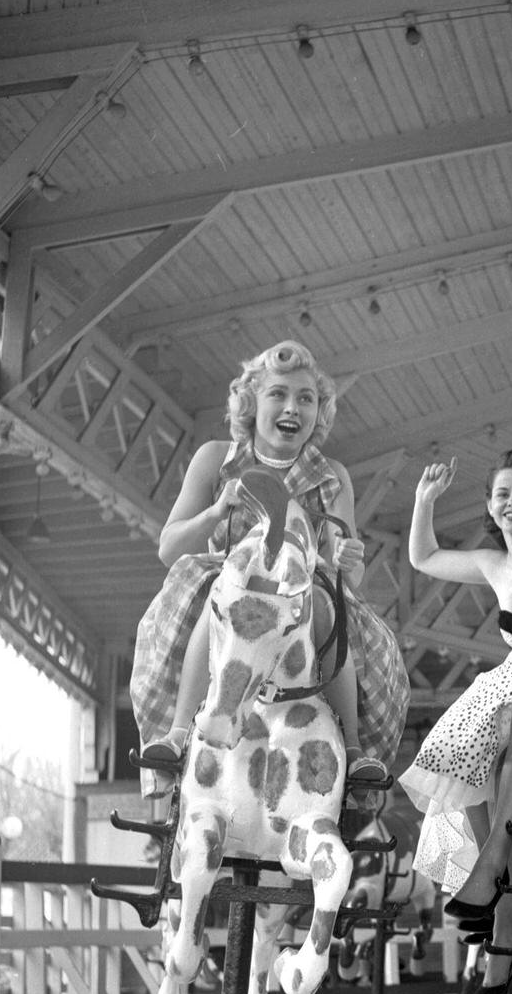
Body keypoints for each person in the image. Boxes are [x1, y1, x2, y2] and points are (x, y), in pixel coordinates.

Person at [130, 340, 408, 797]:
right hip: (230, 581)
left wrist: (344, 561)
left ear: (319, 412)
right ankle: (179, 732)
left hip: (300, 591)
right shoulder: (216, 459)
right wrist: (216, 512)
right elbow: (168, 548)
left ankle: (354, 750)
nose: (292, 408)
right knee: (221, 595)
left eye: (306, 398)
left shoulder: (331, 475)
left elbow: (349, 577)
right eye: (278, 394)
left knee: (326, 605)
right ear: (251, 401)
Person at [398, 449, 512, 994]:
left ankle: (499, 882)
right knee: (453, 741)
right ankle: (501, 889)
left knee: (507, 706)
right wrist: (425, 499)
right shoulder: (492, 563)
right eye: (503, 494)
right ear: (491, 508)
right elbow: (423, 557)